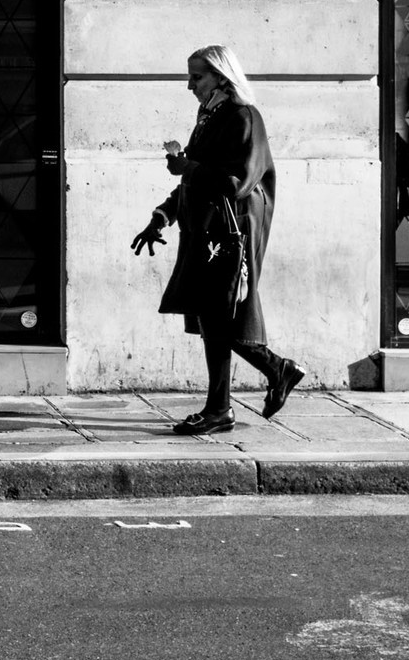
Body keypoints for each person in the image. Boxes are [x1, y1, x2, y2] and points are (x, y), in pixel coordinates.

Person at [130, 44, 304, 437]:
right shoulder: (210, 118)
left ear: (222, 78)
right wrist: (160, 216)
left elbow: (236, 182)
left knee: (220, 318)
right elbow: (192, 183)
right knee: (214, 318)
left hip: (231, 234)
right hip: (205, 232)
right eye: (190, 76)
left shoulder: (244, 117)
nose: (189, 85)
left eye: (197, 77)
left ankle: (228, 403)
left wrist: (186, 166)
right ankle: (265, 378)